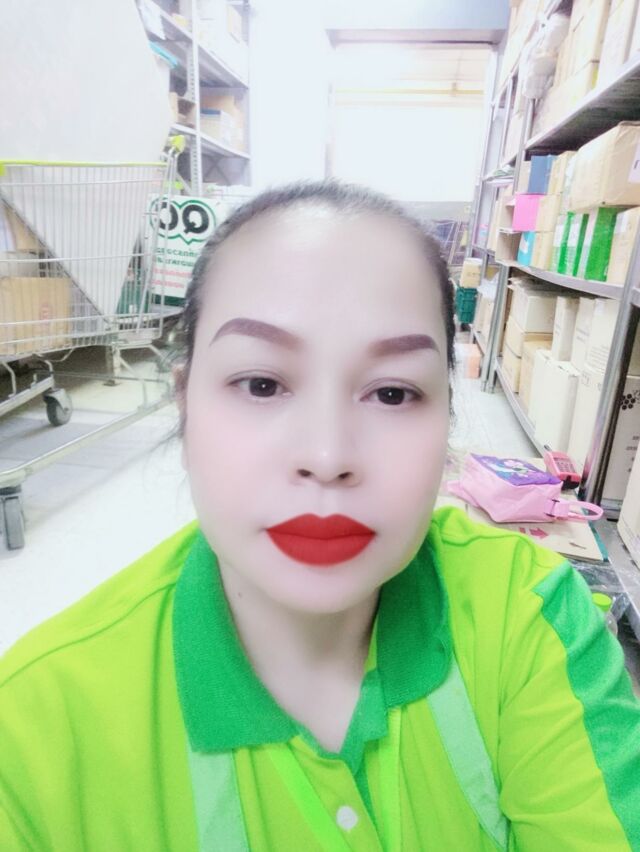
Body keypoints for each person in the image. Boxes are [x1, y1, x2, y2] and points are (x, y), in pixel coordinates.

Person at [1, 180, 639, 851]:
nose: (328, 457)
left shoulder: (529, 613)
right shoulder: (34, 730)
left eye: (392, 393)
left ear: (448, 416)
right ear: (185, 403)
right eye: (262, 384)